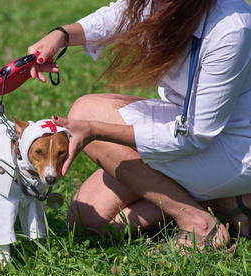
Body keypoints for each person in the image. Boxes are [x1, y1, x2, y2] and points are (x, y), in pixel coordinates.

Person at [26, 0, 251, 249]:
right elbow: (120, 15)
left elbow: (195, 135)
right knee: (85, 219)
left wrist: (96, 131)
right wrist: (62, 36)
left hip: (233, 150)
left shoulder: (231, 29)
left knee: (86, 111)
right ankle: (224, 201)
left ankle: (198, 222)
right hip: (184, 123)